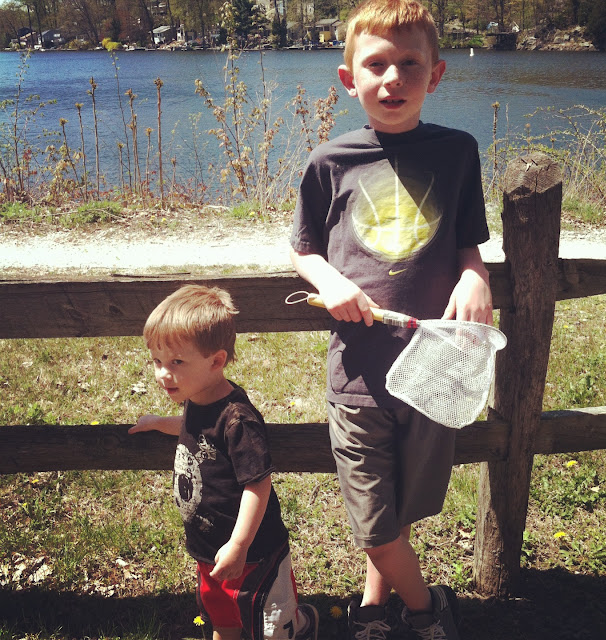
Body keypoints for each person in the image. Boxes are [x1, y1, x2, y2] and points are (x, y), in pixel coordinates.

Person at [289, 0, 493, 638]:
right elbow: (303, 249)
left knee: (402, 504)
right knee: (374, 525)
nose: (393, 79)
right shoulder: (329, 161)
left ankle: (374, 608)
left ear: (436, 74)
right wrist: (331, 281)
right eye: (376, 65)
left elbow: (467, 242)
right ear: (349, 78)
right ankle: (429, 611)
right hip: (359, 376)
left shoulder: (457, 152)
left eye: (410, 64)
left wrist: (475, 277)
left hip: (434, 370)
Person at [128, 284, 319, 640]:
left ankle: (303, 625)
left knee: (271, 628)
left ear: (216, 361)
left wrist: (239, 545)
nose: (162, 373)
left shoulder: (238, 420)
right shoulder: (197, 396)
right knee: (222, 619)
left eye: (176, 362)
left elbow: (258, 484)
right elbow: (194, 428)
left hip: (253, 556)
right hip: (209, 551)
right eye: (156, 361)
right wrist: (158, 422)